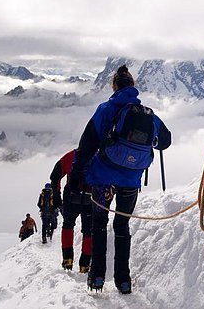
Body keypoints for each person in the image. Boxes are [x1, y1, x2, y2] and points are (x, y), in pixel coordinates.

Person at [70, 65, 171, 294]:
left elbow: (87, 144)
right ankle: (123, 281)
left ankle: (96, 278)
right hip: (131, 180)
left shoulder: (105, 109)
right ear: (133, 86)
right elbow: (165, 141)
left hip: (103, 177)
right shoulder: (147, 114)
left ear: (114, 86)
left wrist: (77, 174)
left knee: (99, 225)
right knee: (122, 226)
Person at [50, 149, 94, 273]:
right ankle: (85, 265)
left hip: (71, 197)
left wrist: (56, 195)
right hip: (90, 199)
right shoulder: (98, 154)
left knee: (68, 226)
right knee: (88, 231)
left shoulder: (73, 155)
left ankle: (67, 259)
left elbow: (55, 174)